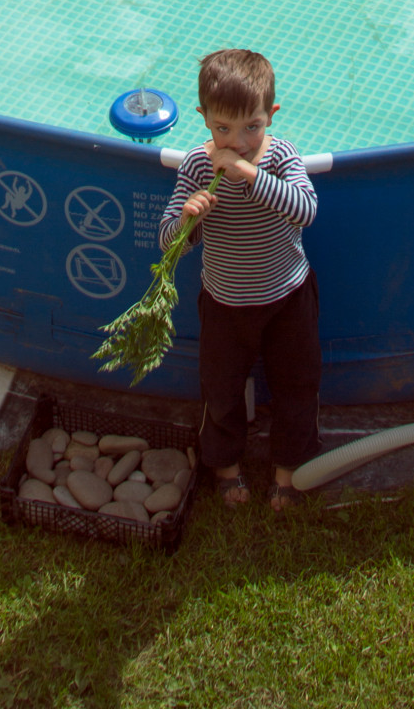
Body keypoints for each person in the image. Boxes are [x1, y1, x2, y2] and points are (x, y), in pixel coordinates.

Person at [158, 46, 320, 511]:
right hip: (225, 304)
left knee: (297, 384)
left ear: (271, 115)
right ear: (204, 119)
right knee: (221, 390)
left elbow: (306, 210)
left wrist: (250, 174)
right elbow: (168, 242)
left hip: (287, 297)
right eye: (223, 129)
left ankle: (289, 469)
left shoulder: (280, 156)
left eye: (252, 127)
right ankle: (225, 467)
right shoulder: (196, 166)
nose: (239, 141)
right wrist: (188, 219)